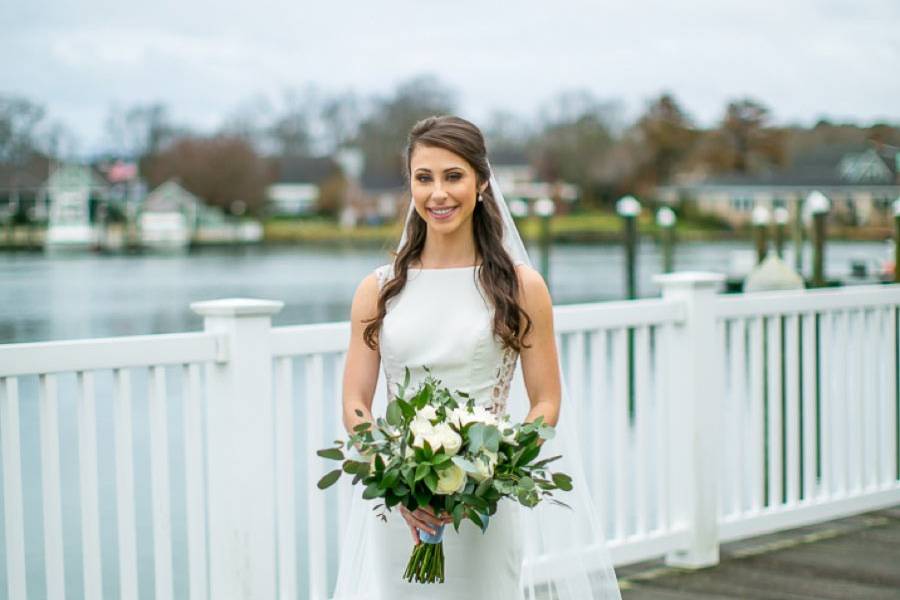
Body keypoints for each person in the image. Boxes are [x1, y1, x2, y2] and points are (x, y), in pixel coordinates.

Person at [334, 115, 621, 599]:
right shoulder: (378, 290)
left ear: (482, 182)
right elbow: (355, 402)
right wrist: (395, 477)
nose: (438, 194)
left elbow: (546, 402)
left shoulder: (520, 287)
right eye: (424, 178)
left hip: (485, 506)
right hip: (399, 508)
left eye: (453, 176)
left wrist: (490, 471)